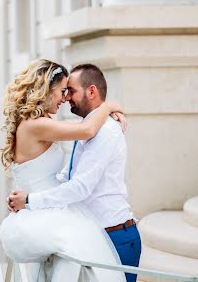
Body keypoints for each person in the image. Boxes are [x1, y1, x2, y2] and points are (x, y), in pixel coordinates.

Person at [8, 64, 141, 282]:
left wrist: (30, 199)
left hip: (113, 234)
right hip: (83, 231)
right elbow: (71, 174)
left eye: (70, 91)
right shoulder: (67, 126)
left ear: (91, 91)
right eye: (63, 91)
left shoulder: (105, 130)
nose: (66, 97)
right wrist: (109, 107)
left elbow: (77, 185)